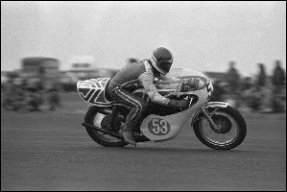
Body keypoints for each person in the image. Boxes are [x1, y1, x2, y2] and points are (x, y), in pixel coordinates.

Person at [107, 47, 189, 145]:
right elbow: (154, 96)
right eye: (164, 64)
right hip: (116, 89)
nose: (166, 67)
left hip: (128, 87)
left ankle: (139, 121)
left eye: (168, 64)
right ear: (156, 62)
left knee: (150, 100)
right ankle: (126, 129)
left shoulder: (151, 67)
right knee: (140, 105)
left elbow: (168, 78)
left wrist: (185, 83)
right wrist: (173, 102)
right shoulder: (146, 74)